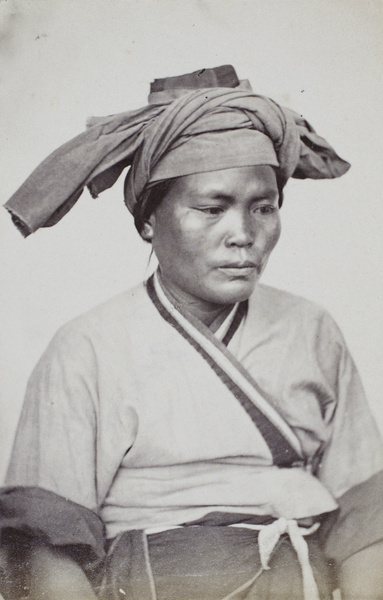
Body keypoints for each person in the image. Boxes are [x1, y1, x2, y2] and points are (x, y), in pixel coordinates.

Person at [0, 65, 382, 600]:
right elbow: (45, 547)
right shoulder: (86, 347)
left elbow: (369, 523)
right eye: (211, 208)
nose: (244, 236)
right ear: (149, 222)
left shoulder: (312, 331)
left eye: (264, 208)